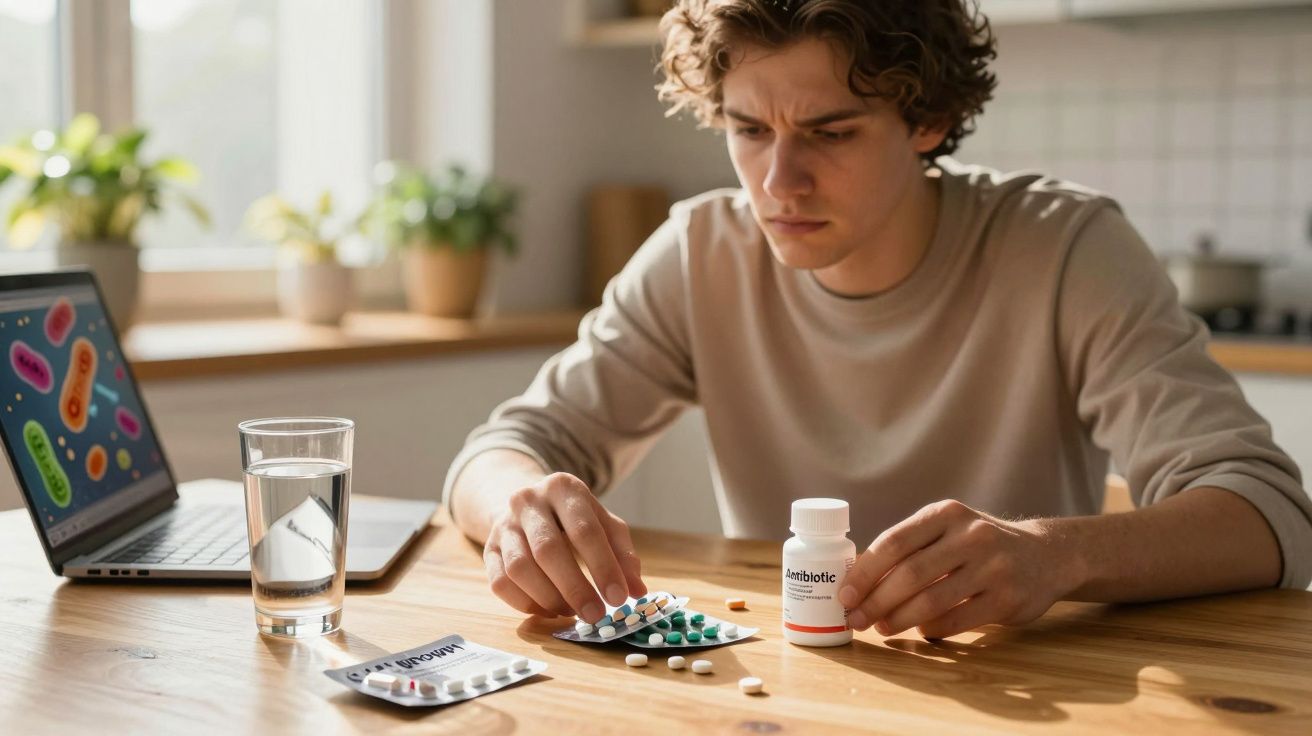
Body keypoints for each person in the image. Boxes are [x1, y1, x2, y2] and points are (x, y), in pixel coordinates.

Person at [442, 0, 1312, 639]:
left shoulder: (1065, 248)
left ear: (926, 118)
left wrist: (1057, 554)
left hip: (1030, 689)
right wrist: (520, 502)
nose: (779, 181)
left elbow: (1271, 516)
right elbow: (500, 451)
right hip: (789, 681)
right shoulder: (701, 250)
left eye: (831, 131)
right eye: (749, 130)